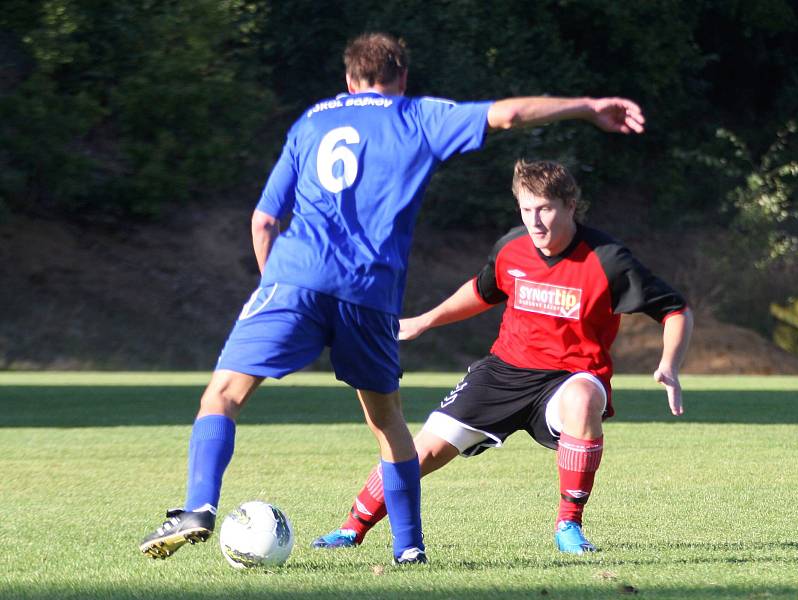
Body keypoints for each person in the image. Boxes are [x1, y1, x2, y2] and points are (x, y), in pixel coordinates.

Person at [138, 32, 647, 565]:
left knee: (222, 397)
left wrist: (275, 288)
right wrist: (587, 107)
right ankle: (408, 548)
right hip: (369, 295)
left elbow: (264, 220)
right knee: (388, 422)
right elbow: (509, 115)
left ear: (349, 78)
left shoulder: (311, 122)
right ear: (401, 78)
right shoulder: (415, 117)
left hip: (294, 281)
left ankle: (198, 506)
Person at [311, 159, 693, 555]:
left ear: (570, 205)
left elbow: (675, 310)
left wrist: (669, 364)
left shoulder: (608, 259)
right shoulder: (512, 247)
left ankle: (569, 525)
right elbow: (482, 291)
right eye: (527, 209)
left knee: (583, 399)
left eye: (545, 208)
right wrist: (426, 321)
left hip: (570, 376)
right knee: (421, 451)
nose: (535, 221)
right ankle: (352, 528)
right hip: (504, 371)